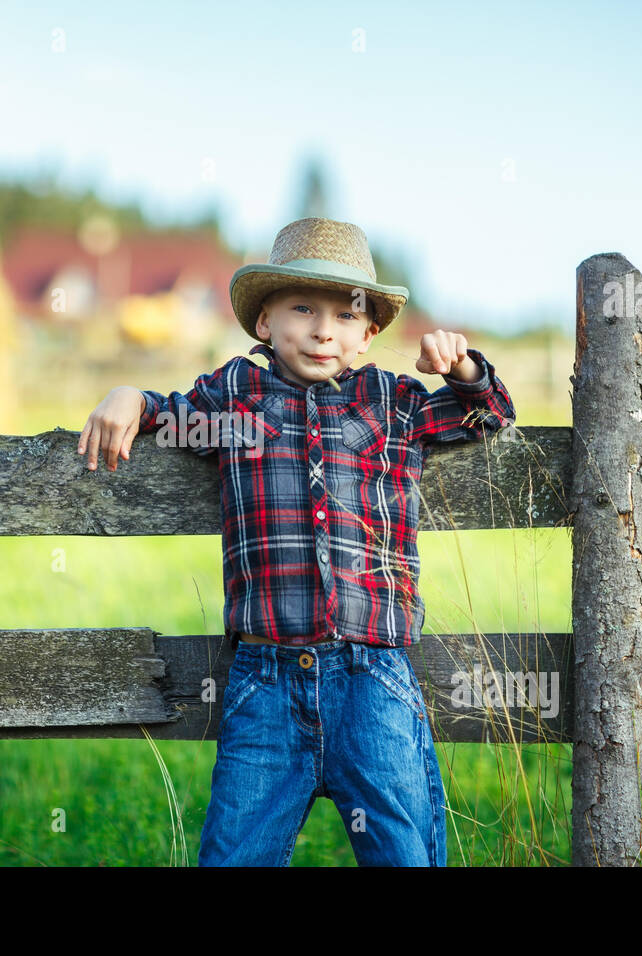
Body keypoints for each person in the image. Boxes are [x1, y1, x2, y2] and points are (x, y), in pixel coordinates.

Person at [76, 217, 516, 865]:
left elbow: (490, 415)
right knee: (235, 854)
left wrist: (463, 366)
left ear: (368, 336)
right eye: (303, 308)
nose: (322, 329)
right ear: (264, 322)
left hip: (374, 679)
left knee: (403, 852)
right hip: (266, 682)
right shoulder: (233, 394)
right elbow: (169, 414)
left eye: (346, 315)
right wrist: (128, 398)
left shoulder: (394, 401)